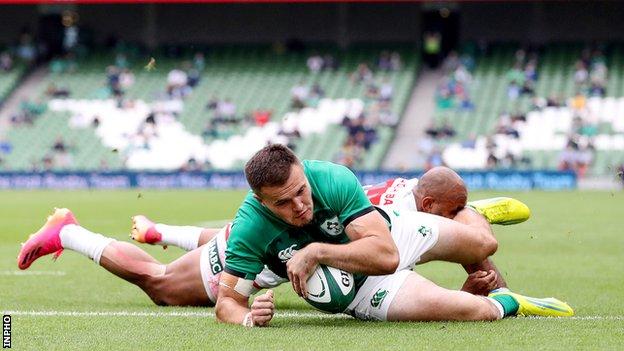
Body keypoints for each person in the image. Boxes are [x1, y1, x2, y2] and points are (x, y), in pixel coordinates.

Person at [17, 166, 526, 308]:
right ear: (437, 206)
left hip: (289, 251)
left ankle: (158, 230)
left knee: (249, 237)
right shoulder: (405, 209)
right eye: (457, 213)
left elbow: (396, 261)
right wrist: (493, 286)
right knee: (163, 286)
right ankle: (71, 233)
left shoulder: (402, 194)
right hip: (269, 257)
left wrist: (483, 278)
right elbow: (391, 263)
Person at [214, 145, 572, 326]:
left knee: (483, 244)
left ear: (304, 173)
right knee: (469, 310)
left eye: (301, 191)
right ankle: (512, 301)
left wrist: (316, 252)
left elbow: (386, 256)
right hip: (361, 292)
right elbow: (226, 302)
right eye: (283, 202)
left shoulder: (331, 178)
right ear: (260, 201)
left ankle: (470, 212)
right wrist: (247, 316)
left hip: (390, 233)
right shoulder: (249, 228)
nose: (300, 206)